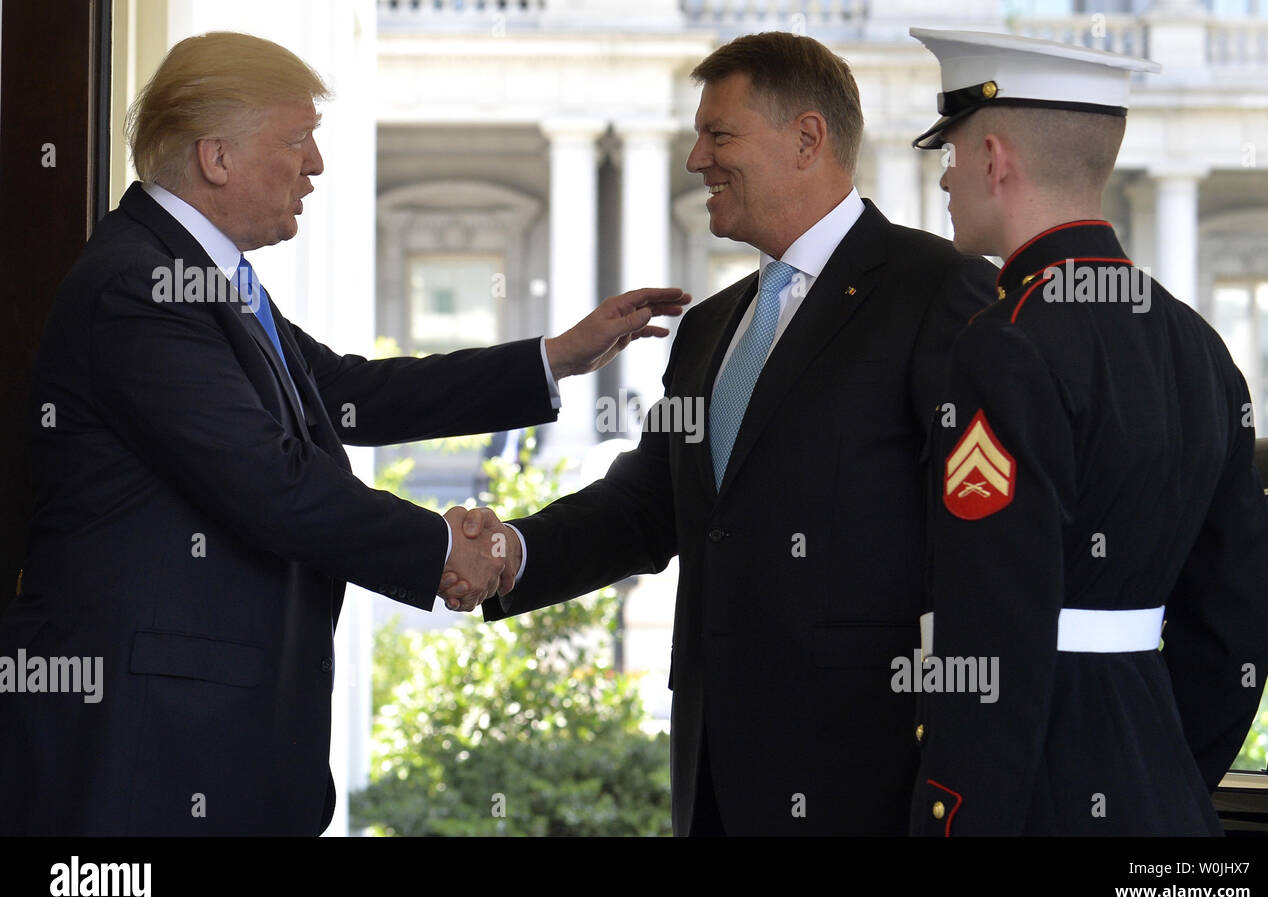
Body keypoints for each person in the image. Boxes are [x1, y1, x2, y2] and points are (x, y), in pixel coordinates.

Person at [0, 31, 687, 836]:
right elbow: (271, 480)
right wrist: (443, 550)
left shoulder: (197, 275)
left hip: (202, 746)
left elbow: (351, 394)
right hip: (148, 753)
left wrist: (554, 359)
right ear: (216, 158)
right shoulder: (143, 286)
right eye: (296, 140)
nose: (317, 164)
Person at [443, 31, 996, 835]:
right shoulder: (708, 329)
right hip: (712, 776)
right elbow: (643, 508)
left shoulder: (939, 292)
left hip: (868, 781)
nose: (697, 159)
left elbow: (987, 553)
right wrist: (506, 555)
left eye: (720, 134)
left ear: (807, 138)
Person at [905, 28, 1268, 835]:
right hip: (1164, 803)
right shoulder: (1199, 347)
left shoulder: (1002, 343)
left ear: (996, 157)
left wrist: (951, 817)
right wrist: (1162, 760)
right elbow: (1238, 618)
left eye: (954, 152)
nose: (945, 175)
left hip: (1032, 800)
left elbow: (992, 628)